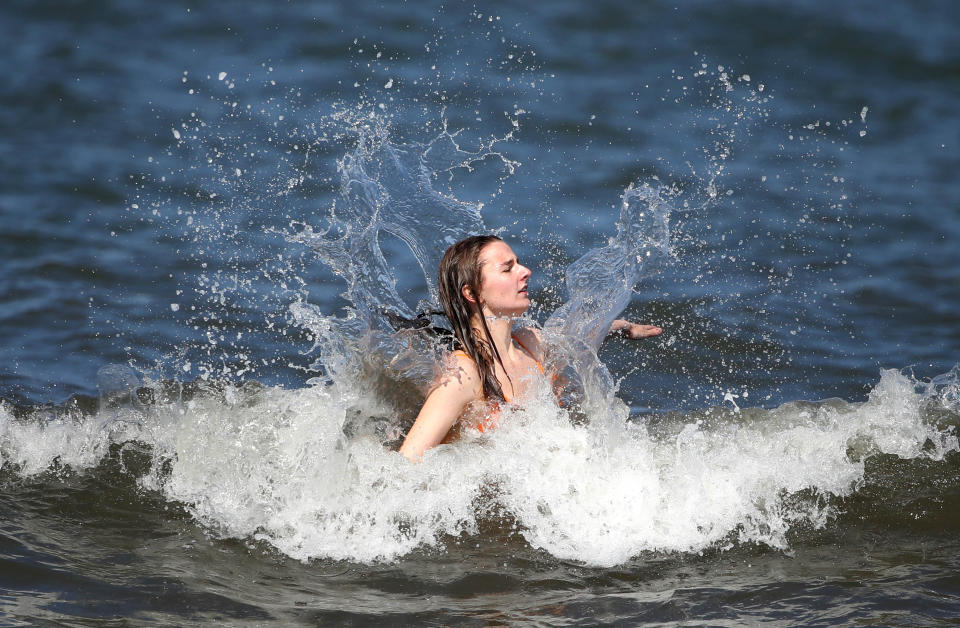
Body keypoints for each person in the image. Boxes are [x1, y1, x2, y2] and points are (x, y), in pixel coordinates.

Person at [398, 235, 661, 461]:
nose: (525, 271)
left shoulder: (531, 344)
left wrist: (622, 327)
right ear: (472, 293)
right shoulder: (463, 375)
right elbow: (408, 461)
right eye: (507, 269)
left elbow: (575, 337)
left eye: (518, 264)